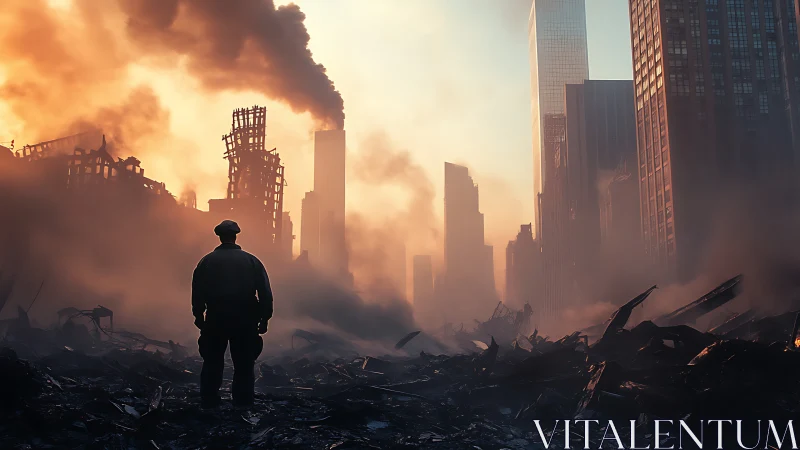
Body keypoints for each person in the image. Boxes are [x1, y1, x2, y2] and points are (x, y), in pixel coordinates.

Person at [191, 220, 273, 408]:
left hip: (216, 318)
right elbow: (265, 292)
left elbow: (198, 291)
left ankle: (209, 402)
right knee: (244, 364)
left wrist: (198, 315)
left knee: (212, 361)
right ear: (235, 236)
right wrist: (264, 318)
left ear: (219, 237)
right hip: (245, 319)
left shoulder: (207, 261)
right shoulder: (252, 261)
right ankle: (243, 404)